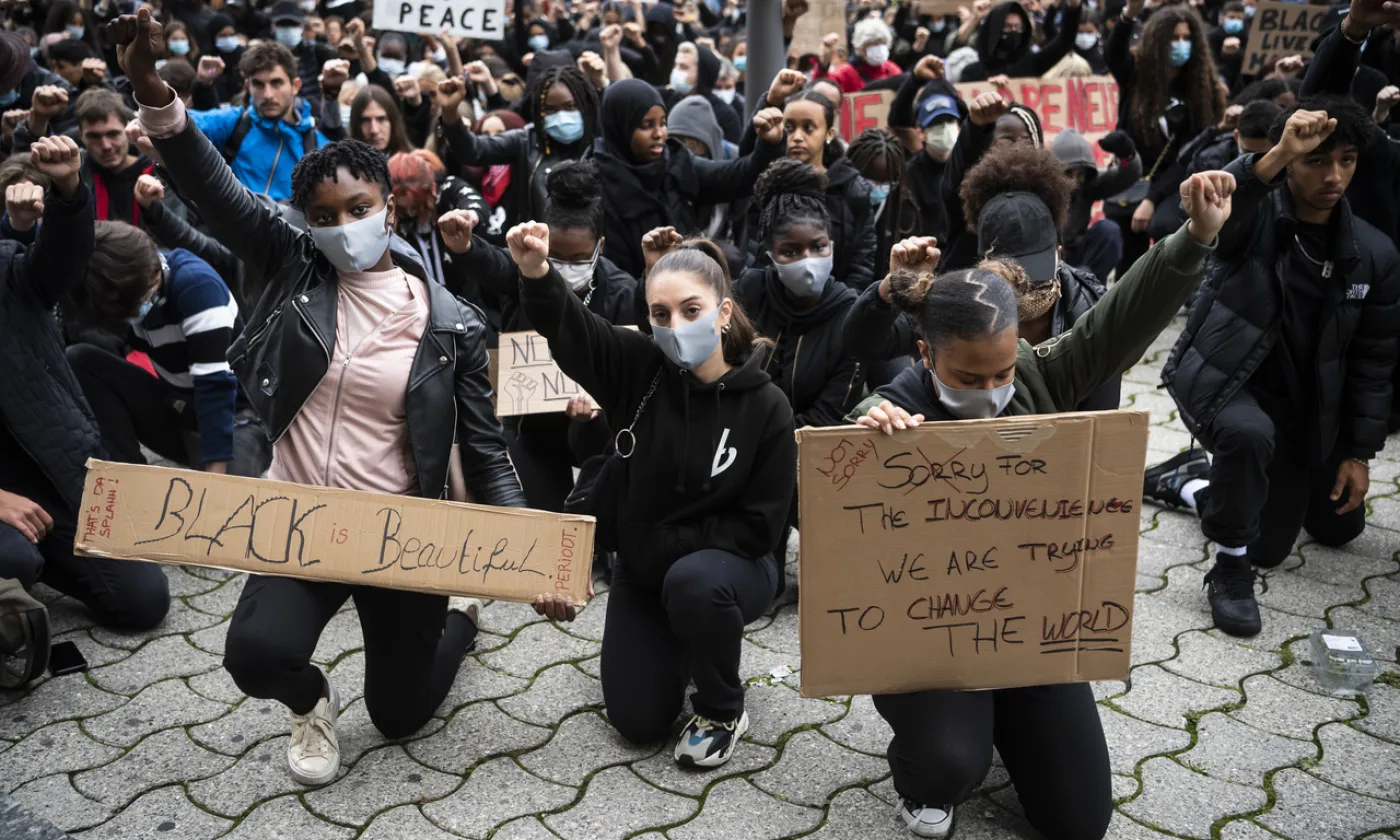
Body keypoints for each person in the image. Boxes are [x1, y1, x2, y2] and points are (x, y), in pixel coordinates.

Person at [112, 7, 527, 785]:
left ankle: (461, 619)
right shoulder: (291, 263)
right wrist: (147, 84)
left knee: (400, 718)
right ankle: (311, 704)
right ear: (306, 223)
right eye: (324, 218)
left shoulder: (452, 321)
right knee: (254, 657)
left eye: (359, 210)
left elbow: (487, 452)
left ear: (391, 206)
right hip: (298, 514)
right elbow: (209, 182)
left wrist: (527, 559)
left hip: (400, 533)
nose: (343, 228)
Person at [850, 169, 1234, 840]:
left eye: (1003, 372)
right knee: (949, 761)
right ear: (926, 355)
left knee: (1078, 820)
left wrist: (1194, 238)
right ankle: (926, 767)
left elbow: (1118, 323)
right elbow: (842, 460)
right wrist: (867, 425)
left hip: (1025, 627)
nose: (994, 389)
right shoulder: (900, 404)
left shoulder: (1035, 371)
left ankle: (1003, 724)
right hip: (932, 635)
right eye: (971, 378)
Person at [511, 213, 796, 768]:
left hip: (731, 570)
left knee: (695, 585)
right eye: (660, 314)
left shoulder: (768, 407)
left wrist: (654, 547)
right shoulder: (638, 367)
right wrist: (536, 271)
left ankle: (722, 707)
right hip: (644, 572)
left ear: (723, 312)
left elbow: (760, 528)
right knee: (637, 722)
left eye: (691, 310)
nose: (675, 325)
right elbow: (572, 327)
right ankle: (684, 641)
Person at [1150, 102, 1399, 638]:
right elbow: (1213, 211)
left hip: (1312, 415)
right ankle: (1228, 565)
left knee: (1339, 529)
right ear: (1290, 164)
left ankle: (1198, 479)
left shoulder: (1374, 254)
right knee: (1259, 539)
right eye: (1316, 161)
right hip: (1234, 387)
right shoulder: (1253, 219)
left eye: (1348, 160)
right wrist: (1281, 151)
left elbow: (1374, 362)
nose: (1334, 176)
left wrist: (1357, 452)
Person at [0, 136, 171, 688]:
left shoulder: (10, 273)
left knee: (143, 601)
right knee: (16, 561)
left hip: (56, 477)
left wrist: (71, 189)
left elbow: (60, 261)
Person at [445, 161, 637, 511]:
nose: (566, 266)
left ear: (601, 247)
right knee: (535, 517)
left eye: (579, 258)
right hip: (531, 433)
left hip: (599, 434)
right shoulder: (526, 274)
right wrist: (464, 247)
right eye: (557, 257)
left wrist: (595, 412)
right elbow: (494, 263)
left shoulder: (623, 294)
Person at [61, 221, 270, 479]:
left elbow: (215, 389)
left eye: (139, 303)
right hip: (180, 407)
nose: (136, 315)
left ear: (155, 275)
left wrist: (216, 481)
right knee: (81, 359)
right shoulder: (124, 293)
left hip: (236, 418)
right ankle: (126, 477)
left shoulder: (198, 289)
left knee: (229, 500)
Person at [591, 78, 784, 278]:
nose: (659, 134)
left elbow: (740, 177)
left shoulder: (676, 161)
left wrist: (769, 138)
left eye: (663, 123)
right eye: (647, 126)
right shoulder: (597, 182)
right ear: (621, 127)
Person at [1107, 2, 1224, 278]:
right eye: (1174, 38)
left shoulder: (1201, 90)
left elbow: (1190, 156)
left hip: (1175, 181)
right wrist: (1129, 15)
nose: (1180, 45)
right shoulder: (1135, 75)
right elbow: (1114, 54)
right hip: (1131, 179)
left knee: (1164, 229)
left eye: (1186, 39)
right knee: (1128, 261)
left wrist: (1152, 198)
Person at [436, 63, 600, 229]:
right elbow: (473, 151)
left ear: (584, 105)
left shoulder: (602, 148)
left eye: (569, 107)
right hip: (537, 247)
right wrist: (450, 113)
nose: (561, 116)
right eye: (550, 110)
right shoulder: (526, 141)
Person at [756, 86, 878, 290]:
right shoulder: (770, 183)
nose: (797, 136)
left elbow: (862, 259)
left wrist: (846, 307)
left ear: (829, 133)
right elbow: (756, 250)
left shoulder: (851, 187)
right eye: (789, 127)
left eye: (808, 127)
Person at [187, 41, 331, 201]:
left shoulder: (316, 144)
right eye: (258, 84)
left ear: (295, 86)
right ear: (248, 86)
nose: (268, 94)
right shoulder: (234, 123)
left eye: (276, 83)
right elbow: (176, 123)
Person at [15, 88, 178, 226]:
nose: (106, 146)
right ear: (81, 136)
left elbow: (176, 235)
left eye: (113, 134)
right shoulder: (76, 170)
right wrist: (39, 118)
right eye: (94, 137)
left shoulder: (158, 170)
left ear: (127, 128)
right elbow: (24, 169)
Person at [1051, 127, 1141, 285]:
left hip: (1077, 259)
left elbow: (1124, 177)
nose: (1074, 181)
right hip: (1048, 264)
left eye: (1079, 175)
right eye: (1068, 173)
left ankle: (1091, 291)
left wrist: (1127, 155)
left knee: (1108, 231)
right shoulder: (1040, 192)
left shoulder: (1087, 188)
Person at [957, 0, 1083, 82]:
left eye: (1018, 27)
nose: (1013, 31)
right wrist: (987, 87)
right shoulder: (971, 73)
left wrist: (1073, 7)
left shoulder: (1031, 64)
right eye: (1007, 26)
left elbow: (1065, 40)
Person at [818, 17, 902, 93]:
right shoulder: (847, 72)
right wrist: (823, 65)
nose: (879, 49)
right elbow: (823, 88)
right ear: (860, 48)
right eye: (873, 45)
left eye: (882, 43)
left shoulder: (892, 70)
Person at [350, 84, 414, 155]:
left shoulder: (414, 162)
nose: (374, 130)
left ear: (393, 121)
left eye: (381, 119)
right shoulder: (343, 163)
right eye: (366, 120)